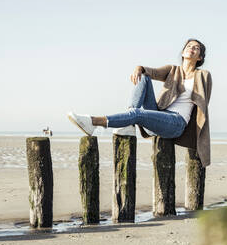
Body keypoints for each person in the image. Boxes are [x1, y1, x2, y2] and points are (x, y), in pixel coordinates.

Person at [68, 38, 212, 167]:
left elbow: (203, 104)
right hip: (159, 116)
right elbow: (152, 72)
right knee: (144, 77)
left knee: (137, 114)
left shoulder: (202, 76)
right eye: (189, 46)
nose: (191, 49)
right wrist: (139, 68)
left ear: (199, 57)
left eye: (196, 48)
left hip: (176, 122)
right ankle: (129, 123)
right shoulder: (173, 70)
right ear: (182, 52)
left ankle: (93, 122)